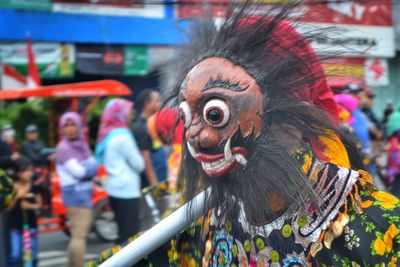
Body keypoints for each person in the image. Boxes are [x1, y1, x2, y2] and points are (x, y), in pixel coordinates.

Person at [90, 3, 400, 266]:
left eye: (215, 114)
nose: (196, 135)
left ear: (292, 115)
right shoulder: (206, 225)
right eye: (188, 116)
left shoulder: (377, 227)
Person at [96, 99, 145, 244]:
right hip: (127, 190)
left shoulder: (108, 135)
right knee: (130, 237)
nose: (131, 116)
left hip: (114, 188)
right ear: (120, 114)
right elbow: (139, 164)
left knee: (122, 232)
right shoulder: (123, 136)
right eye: (128, 112)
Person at [56, 112, 98, 267]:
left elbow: (92, 165)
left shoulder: (82, 145)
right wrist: (89, 168)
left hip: (84, 194)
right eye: (66, 125)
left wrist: (88, 168)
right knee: (79, 235)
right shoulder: (64, 148)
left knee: (77, 234)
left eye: (73, 124)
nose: (70, 129)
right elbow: (79, 172)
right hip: (75, 196)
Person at [7, 157, 42, 267]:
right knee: (15, 255)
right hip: (15, 225)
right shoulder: (12, 187)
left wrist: (30, 205)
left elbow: (39, 205)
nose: (29, 174)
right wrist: (16, 197)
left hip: (30, 224)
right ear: (18, 173)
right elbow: (8, 208)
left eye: (30, 170)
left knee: (32, 255)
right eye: (25, 171)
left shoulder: (34, 186)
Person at [132, 89, 164, 187]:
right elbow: (145, 158)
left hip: (162, 174)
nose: (161, 104)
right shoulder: (140, 128)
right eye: (157, 101)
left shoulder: (154, 123)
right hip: (152, 180)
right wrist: (155, 185)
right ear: (147, 104)